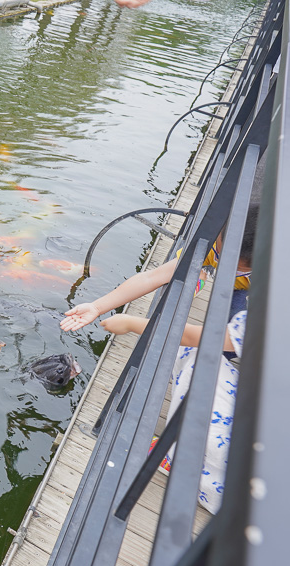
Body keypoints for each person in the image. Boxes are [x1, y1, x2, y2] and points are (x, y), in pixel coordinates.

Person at [100, 309, 245, 514]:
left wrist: (130, 322)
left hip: (247, 457)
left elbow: (189, 336)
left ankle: (181, 459)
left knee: (194, 354)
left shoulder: (275, 317)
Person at [60, 202, 257, 332]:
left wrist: (132, 323)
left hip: (250, 291)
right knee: (198, 266)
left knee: (235, 330)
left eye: (229, 265)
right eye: (218, 254)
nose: (218, 261)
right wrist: (96, 306)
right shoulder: (212, 246)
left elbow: (225, 338)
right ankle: (201, 274)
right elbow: (152, 277)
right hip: (237, 280)